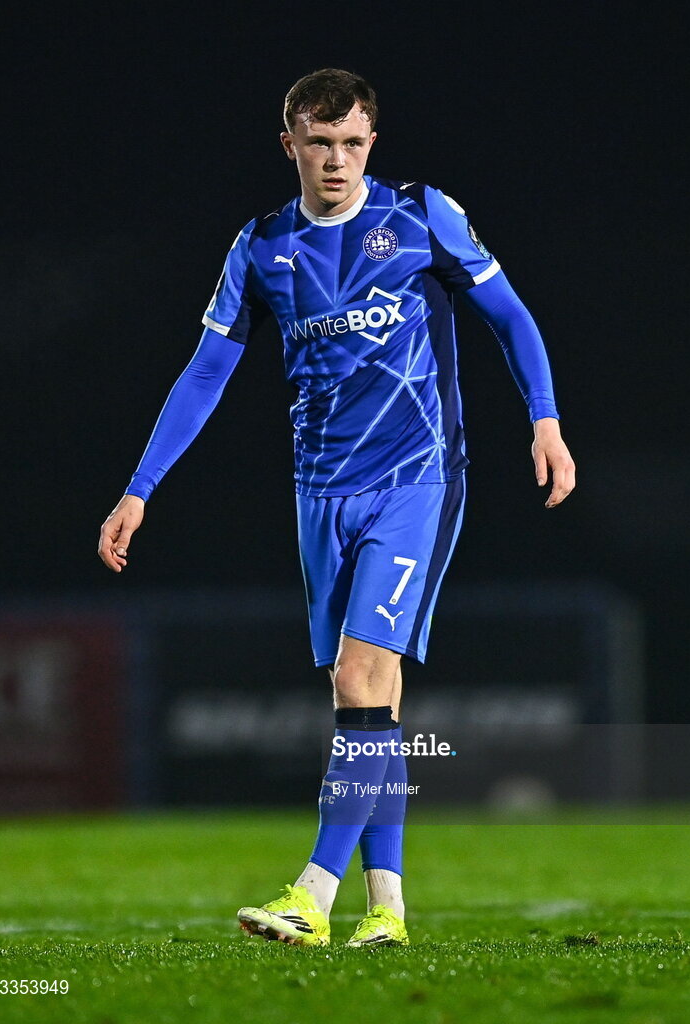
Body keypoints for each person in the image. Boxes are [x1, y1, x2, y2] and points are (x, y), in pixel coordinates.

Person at [98, 67, 575, 948]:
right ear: (290, 146)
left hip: (416, 480)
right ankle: (387, 911)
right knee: (368, 700)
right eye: (319, 144)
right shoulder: (262, 248)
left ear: (371, 145)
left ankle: (312, 894)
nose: (337, 160)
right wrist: (139, 488)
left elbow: (511, 316)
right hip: (320, 493)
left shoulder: (422, 215)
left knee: (360, 681)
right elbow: (206, 373)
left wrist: (545, 422)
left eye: (352, 143)